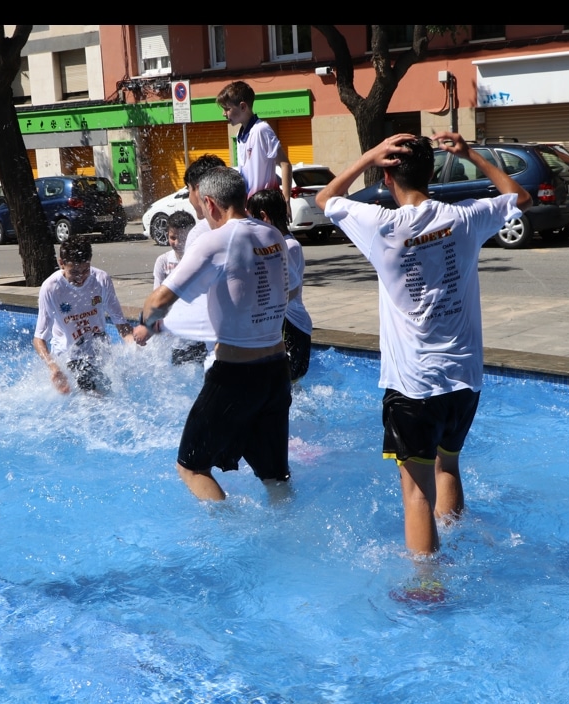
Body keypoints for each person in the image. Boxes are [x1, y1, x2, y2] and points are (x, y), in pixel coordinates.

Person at [315, 132, 533, 556]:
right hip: (465, 378)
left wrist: (367, 156)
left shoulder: (381, 225)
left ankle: (427, 589)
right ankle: (455, 538)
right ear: (432, 173)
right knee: (447, 463)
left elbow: (326, 197)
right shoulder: (464, 219)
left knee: (416, 494)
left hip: (414, 385)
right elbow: (518, 196)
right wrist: (469, 154)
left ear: (386, 174)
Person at [135, 166, 291, 502]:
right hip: (277, 370)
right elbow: (281, 293)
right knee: (275, 476)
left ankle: (230, 538)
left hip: (235, 375)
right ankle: (288, 532)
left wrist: (147, 324)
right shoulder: (272, 235)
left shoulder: (216, 241)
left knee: (191, 467)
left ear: (209, 203)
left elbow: (160, 298)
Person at [33, 240, 134, 395]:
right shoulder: (51, 288)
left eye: (85, 271)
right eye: (74, 272)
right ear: (61, 263)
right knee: (94, 396)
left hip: (99, 350)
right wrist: (54, 368)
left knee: (118, 390)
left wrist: (134, 346)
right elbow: (39, 339)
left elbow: (120, 323)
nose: (80, 278)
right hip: (70, 354)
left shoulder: (101, 279)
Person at [248, 188, 313, 382]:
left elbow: (289, 290)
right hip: (286, 322)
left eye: (252, 220)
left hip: (292, 323)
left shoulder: (288, 246)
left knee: (287, 383)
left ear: (263, 216)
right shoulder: (282, 244)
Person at [216, 81, 293, 217]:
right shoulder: (240, 134)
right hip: (250, 208)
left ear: (243, 107)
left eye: (227, 109)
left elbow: (285, 164)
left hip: (266, 206)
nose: (224, 113)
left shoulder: (261, 129)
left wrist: (286, 201)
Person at [152, 211, 208, 366]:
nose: (176, 243)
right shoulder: (163, 262)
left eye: (182, 238)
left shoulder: (199, 259)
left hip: (200, 332)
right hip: (177, 336)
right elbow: (157, 295)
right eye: (172, 237)